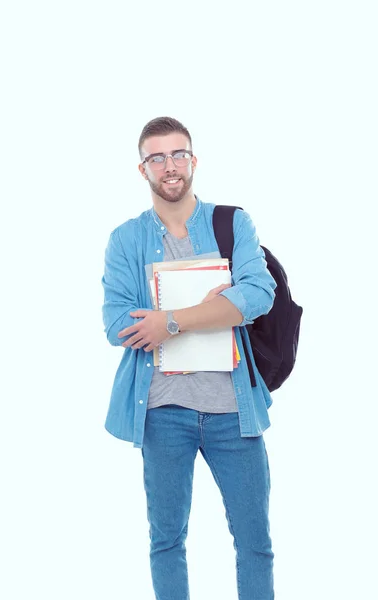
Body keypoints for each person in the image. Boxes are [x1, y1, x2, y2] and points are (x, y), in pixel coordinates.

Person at [101, 116, 278, 599]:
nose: (169, 165)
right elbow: (116, 323)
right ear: (144, 170)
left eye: (178, 154)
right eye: (156, 157)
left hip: (233, 412)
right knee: (167, 540)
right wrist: (220, 305)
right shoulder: (125, 239)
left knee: (255, 542)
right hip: (163, 413)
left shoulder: (232, 223)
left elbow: (260, 294)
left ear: (193, 161)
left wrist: (170, 320)